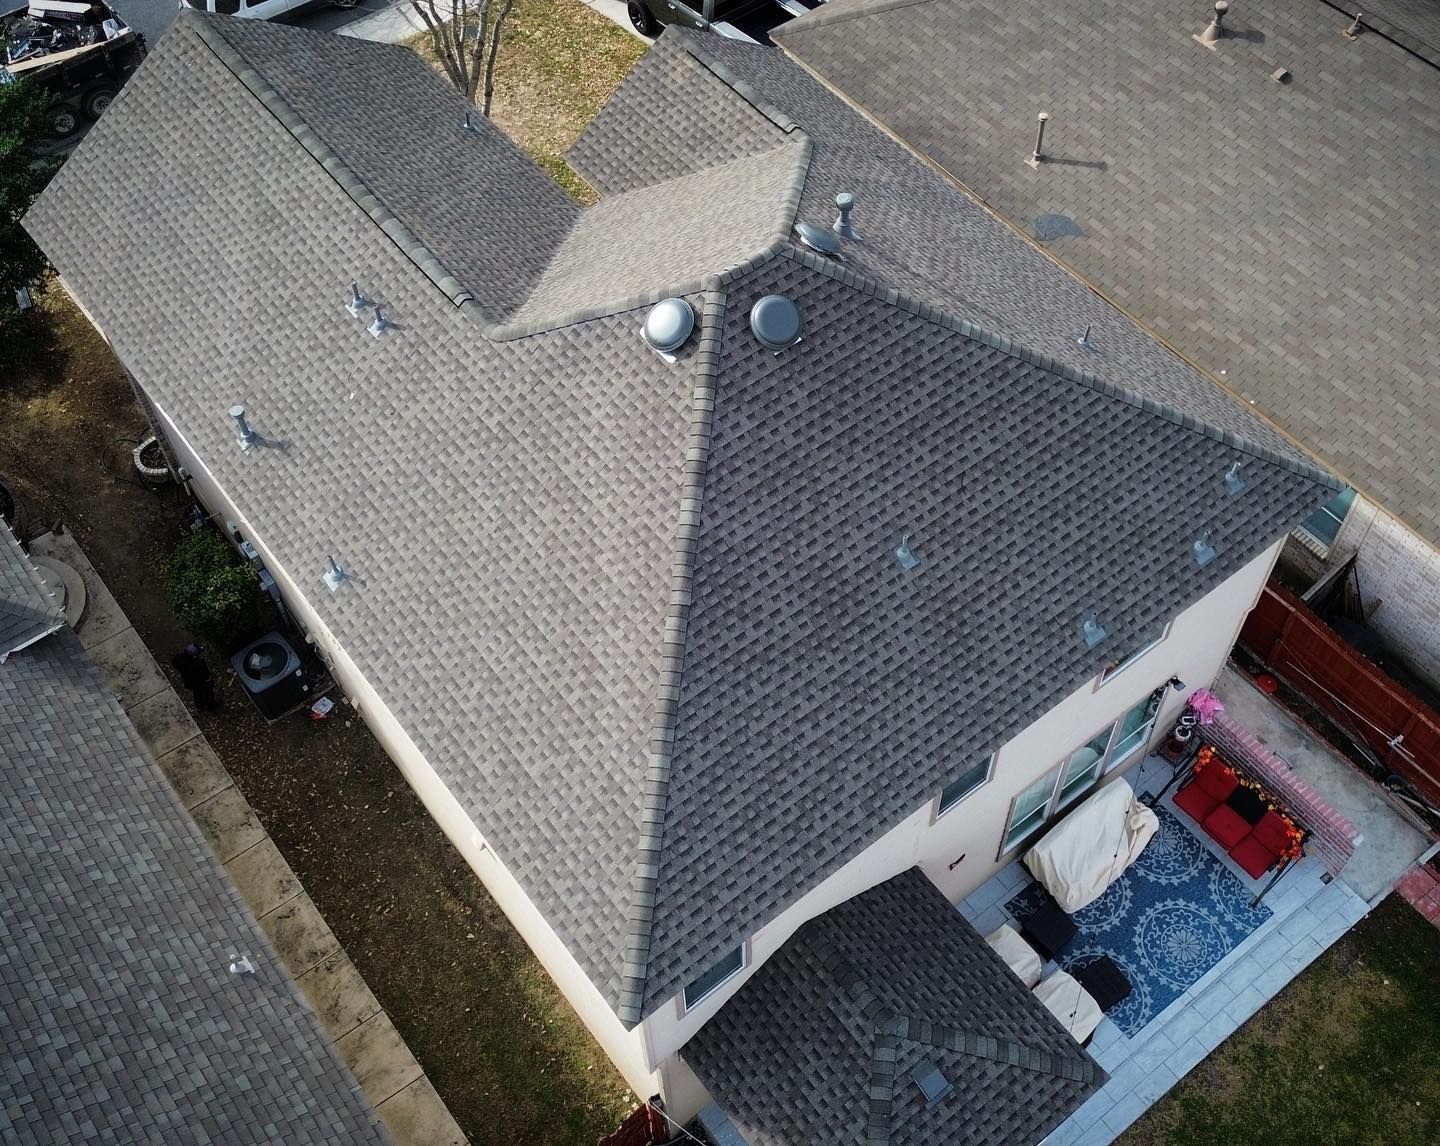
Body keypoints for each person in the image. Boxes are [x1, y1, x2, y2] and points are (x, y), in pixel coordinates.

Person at [172, 643, 220, 711]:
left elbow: (175, 664)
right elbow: (207, 677)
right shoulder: (199, 664)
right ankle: (211, 706)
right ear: (194, 656)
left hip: (190, 682)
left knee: (197, 693)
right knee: (208, 693)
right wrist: (210, 680)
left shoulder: (179, 658)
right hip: (201, 683)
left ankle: (199, 705)